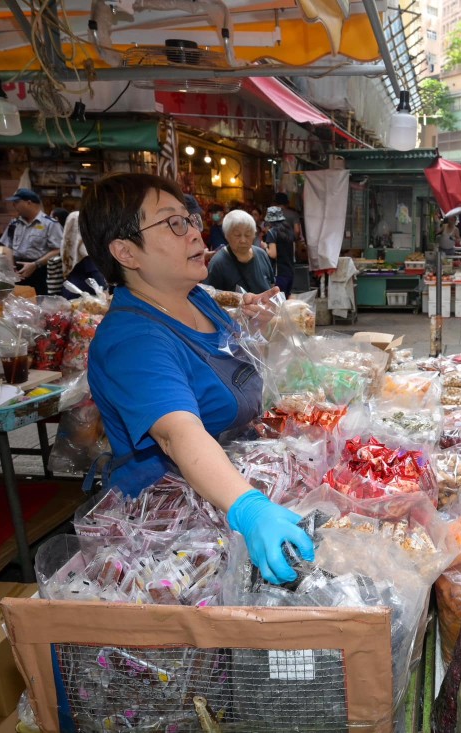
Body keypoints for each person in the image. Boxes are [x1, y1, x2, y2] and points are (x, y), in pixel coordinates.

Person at [80, 172, 313, 585]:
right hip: (172, 535)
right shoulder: (133, 339)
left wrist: (257, 331)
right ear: (125, 252)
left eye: (189, 218)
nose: (194, 233)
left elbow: (225, 367)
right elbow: (178, 434)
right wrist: (249, 507)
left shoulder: (198, 301)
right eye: (172, 223)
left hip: (229, 485)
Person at [0, 187, 63, 295]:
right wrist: (11, 268)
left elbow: (58, 250)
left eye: (16, 202)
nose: (14, 206)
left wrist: (35, 265)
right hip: (17, 271)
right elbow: (8, 247)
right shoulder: (14, 224)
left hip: (40, 270)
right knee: (18, 302)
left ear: (28, 203)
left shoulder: (50, 224)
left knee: (40, 304)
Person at [205, 209, 275, 294]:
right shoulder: (217, 263)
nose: (243, 240)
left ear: (254, 235)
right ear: (226, 236)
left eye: (248, 234)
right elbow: (210, 298)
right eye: (237, 235)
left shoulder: (262, 254)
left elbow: (272, 286)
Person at [59, 211, 106, 298]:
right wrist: (106, 292)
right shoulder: (86, 247)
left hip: (71, 289)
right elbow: (96, 273)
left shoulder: (69, 245)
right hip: (86, 295)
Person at [263, 206, 296, 295]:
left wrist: (265, 246)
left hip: (279, 273)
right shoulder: (289, 231)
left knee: (277, 302)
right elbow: (293, 251)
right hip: (290, 272)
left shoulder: (272, 232)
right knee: (286, 299)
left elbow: (273, 254)